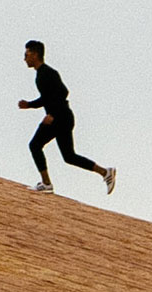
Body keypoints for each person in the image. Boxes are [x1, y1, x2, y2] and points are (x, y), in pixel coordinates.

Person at [18, 40, 114, 195]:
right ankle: (105, 172)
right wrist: (29, 104)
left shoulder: (46, 73)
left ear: (35, 54)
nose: (24, 59)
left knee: (35, 145)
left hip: (60, 117)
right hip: (64, 117)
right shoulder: (41, 74)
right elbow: (47, 98)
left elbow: (63, 92)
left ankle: (46, 184)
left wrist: (52, 115)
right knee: (69, 156)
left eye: (26, 54)